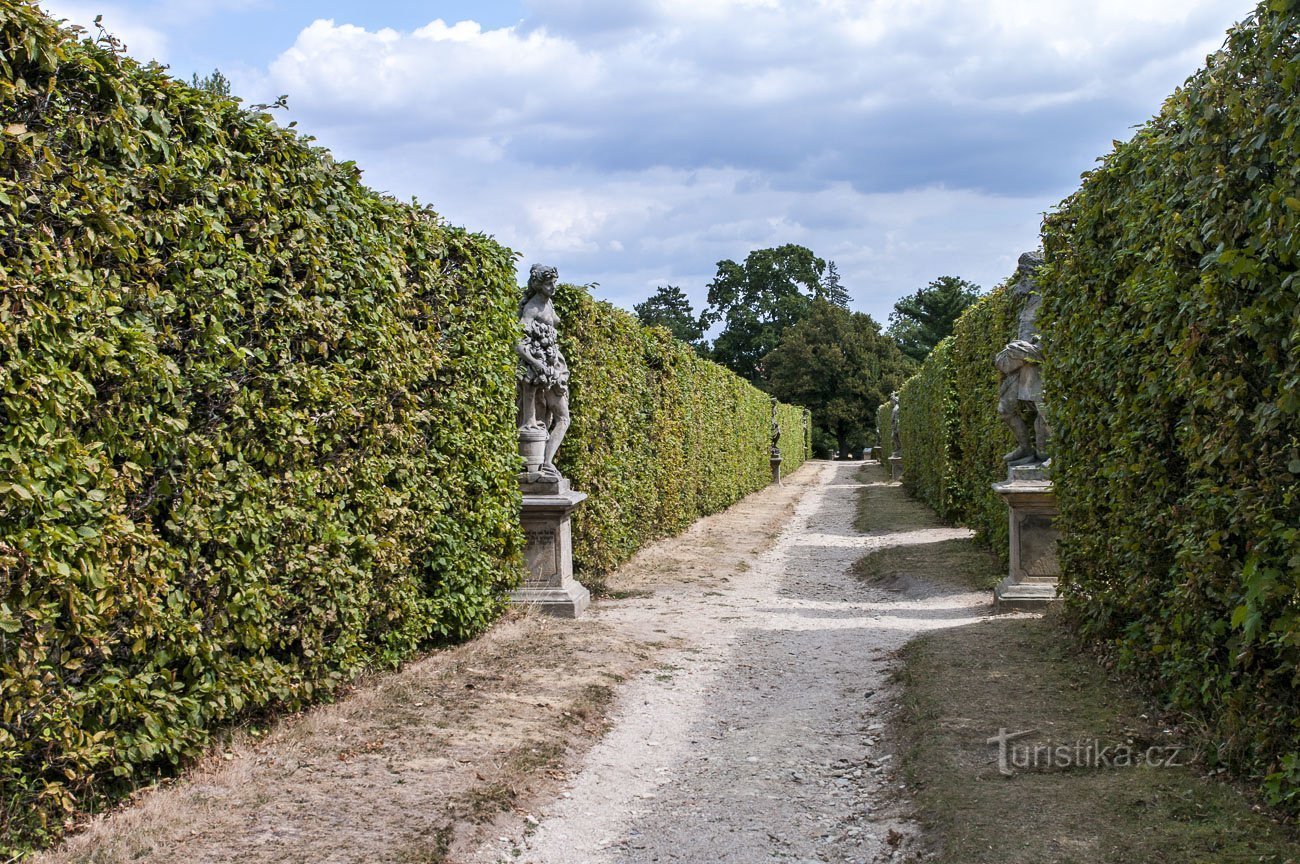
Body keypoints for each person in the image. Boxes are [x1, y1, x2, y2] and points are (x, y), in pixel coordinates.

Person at [994, 252, 1050, 467]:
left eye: (1025, 274)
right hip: (1020, 363)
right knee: (1005, 409)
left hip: (1036, 360)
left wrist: (1035, 347)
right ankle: (1025, 447)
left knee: (1044, 409)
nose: (1022, 280)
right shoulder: (1028, 301)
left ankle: (1051, 453)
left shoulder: (1049, 297)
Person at [517, 264, 570, 480]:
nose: (553, 287)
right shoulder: (533, 307)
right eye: (549, 283)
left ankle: (545, 462)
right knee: (562, 418)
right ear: (538, 285)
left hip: (554, 368)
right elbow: (518, 342)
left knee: (550, 419)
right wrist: (535, 363)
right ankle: (545, 463)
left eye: (554, 283)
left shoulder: (548, 304)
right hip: (543, 371)